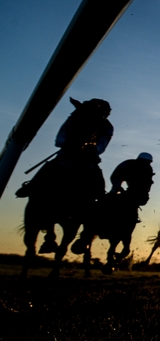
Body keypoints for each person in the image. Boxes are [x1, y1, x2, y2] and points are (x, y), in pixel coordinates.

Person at [38, 97, 113, 253]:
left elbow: (101, 147)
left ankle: (89, 230)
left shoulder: (106, 127)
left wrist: (90, 147)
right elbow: (59, 139)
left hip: (87, 162)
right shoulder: (74, 118)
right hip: (65, 157)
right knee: (44, 174)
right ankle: (32, 189)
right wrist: (68, 143)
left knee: (100, 190)